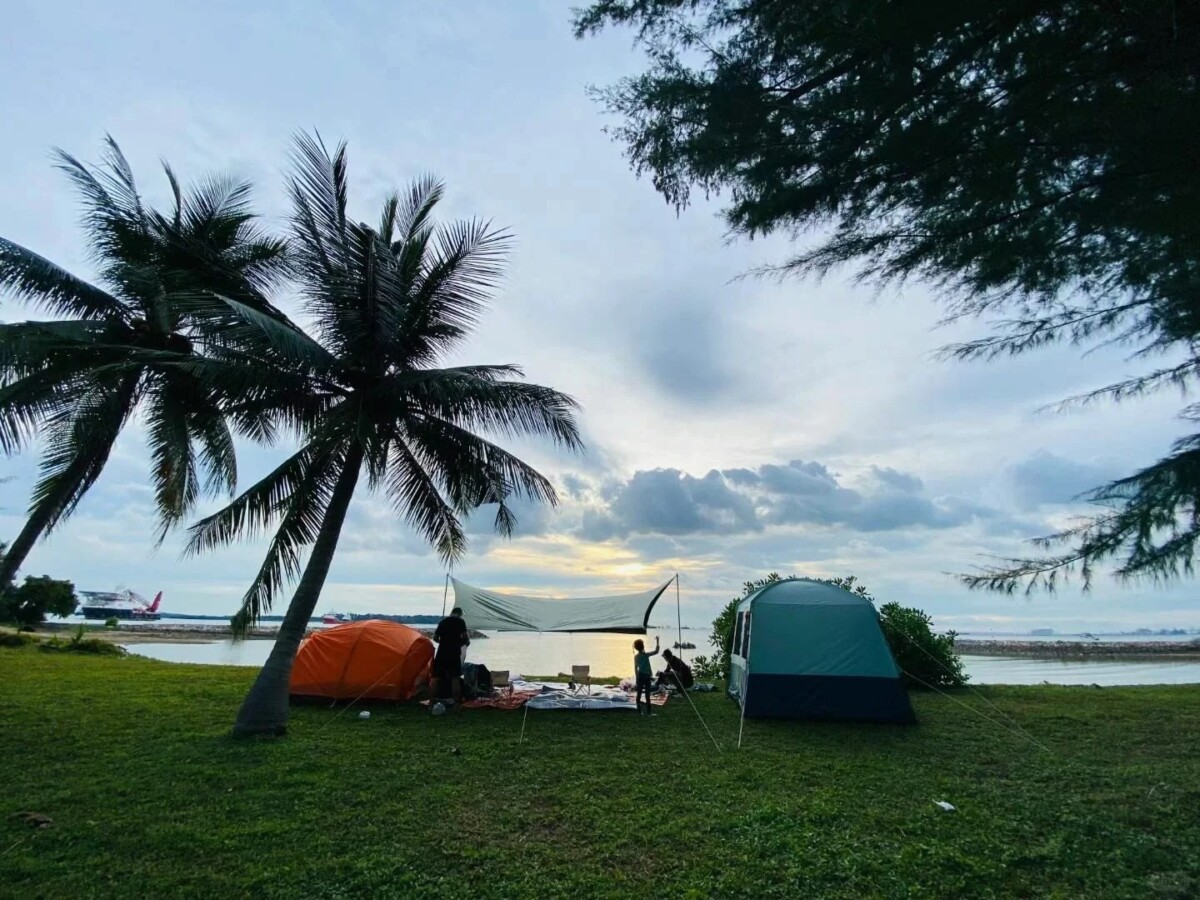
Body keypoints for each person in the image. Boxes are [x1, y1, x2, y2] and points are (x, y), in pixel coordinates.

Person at [431, 607, 470, 710]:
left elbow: (435, 637)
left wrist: (443, 643)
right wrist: (459, 643)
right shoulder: (460, 622)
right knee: (455, 678)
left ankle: (431, 702)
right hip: (454, 654)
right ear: (460, 614)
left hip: (441, 654)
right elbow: (466, 638)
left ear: (452, 613)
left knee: (435, 678)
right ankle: (456, 704)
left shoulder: (443, 622)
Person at [632, 635, 660, 716]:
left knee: (639, 694)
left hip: (640, 675)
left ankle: (639, 711)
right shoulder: (646, 655)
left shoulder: (636, 657)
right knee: (647, 694)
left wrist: (637, 678)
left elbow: (635, 668)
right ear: (643, 646)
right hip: (647, 676)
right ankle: (648, 713)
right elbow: (656, 651)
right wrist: (657, 641)